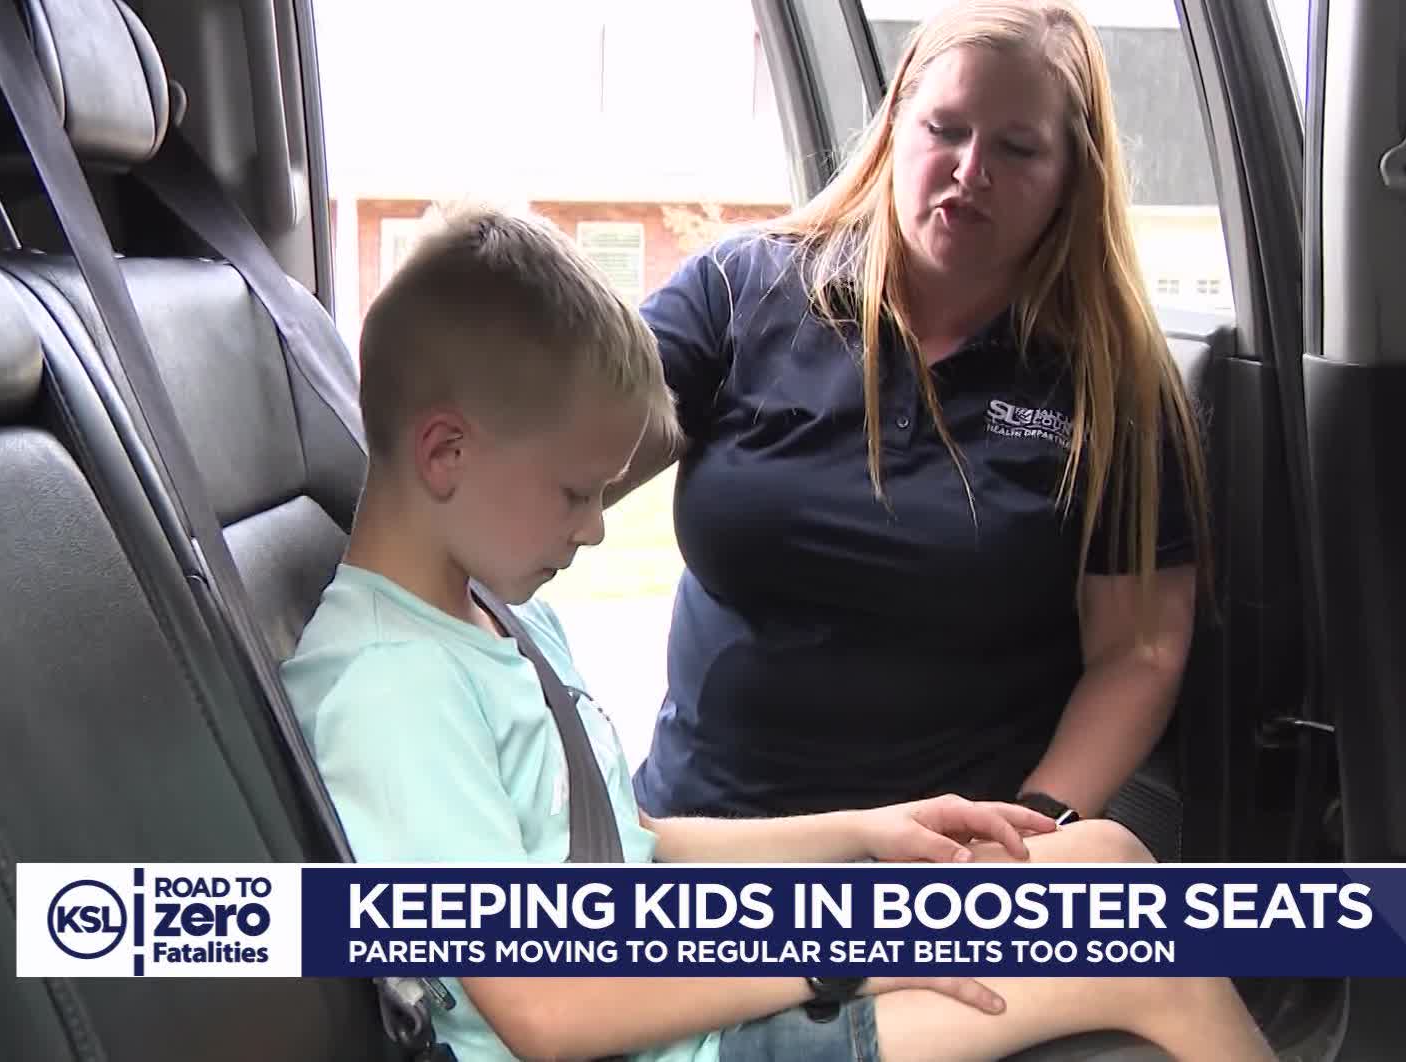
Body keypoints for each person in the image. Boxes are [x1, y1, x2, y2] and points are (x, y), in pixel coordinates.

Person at [281, 205, 1271, 1062]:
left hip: (669, 987)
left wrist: (866, 834)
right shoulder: (393, 692)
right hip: (659, 1041)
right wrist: (841, 951)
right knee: (1153, 960)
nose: (593, 529)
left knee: (1105, 860)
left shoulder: (497, 615)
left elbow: (627, 845)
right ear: (446, 453)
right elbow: (547, 1009)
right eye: (576, 493)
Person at [624, 0, 1214, 827]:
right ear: (895, 125)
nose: (971, 170)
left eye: (1016, 148)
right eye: (945, 129)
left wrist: (1032, 827)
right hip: (706, 842)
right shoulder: (741, 290)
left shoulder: (1112, 385)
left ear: (1071, 176)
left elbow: (1139, 649)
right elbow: (551, 457)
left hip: (947, 859)